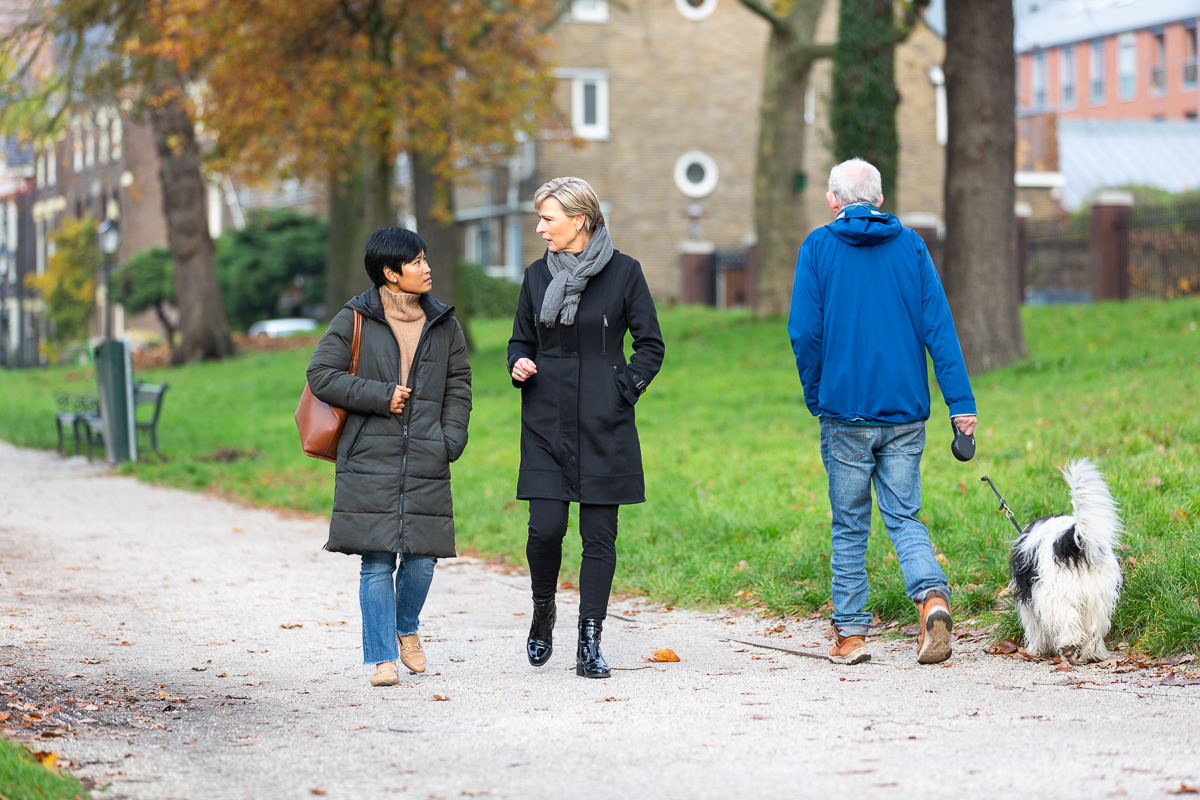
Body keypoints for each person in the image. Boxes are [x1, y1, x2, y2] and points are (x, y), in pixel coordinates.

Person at [788, 158, 977, 666]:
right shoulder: (911, 246)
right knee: (903, 515)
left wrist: (816, 394)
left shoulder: (818, 247)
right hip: (905, 412)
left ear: (833, 201)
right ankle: (933, 600)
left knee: (850, 524)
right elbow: (939, 326)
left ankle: (850, 636)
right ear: (880, 199)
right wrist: (961, 405)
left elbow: (805, 333)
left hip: (844, 413)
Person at [508, 177, 664, 679]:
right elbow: (519, 341)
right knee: (545, 529)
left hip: (604, 423)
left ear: (581, 220)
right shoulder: (536, 277)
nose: (540, 229)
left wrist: (623, 388)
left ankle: (590, 640)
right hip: (546, 421)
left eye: (548, 219)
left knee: (599, 536)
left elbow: (651, 346)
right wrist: (520, 364)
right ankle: (542, 610)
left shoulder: (624, 274)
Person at [307, 227, 471, 687]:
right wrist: (381, 396)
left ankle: (406, 626)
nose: (427, 267)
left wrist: (450, 438)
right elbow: (321, 374)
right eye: (416, 261)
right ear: (390, 273)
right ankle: (382, 658)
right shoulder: (355, 317)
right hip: (368, 455)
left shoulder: (444, 324)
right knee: (377, 560)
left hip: (428, 453)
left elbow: (459, 384)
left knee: (423, 558)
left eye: (425, 259)